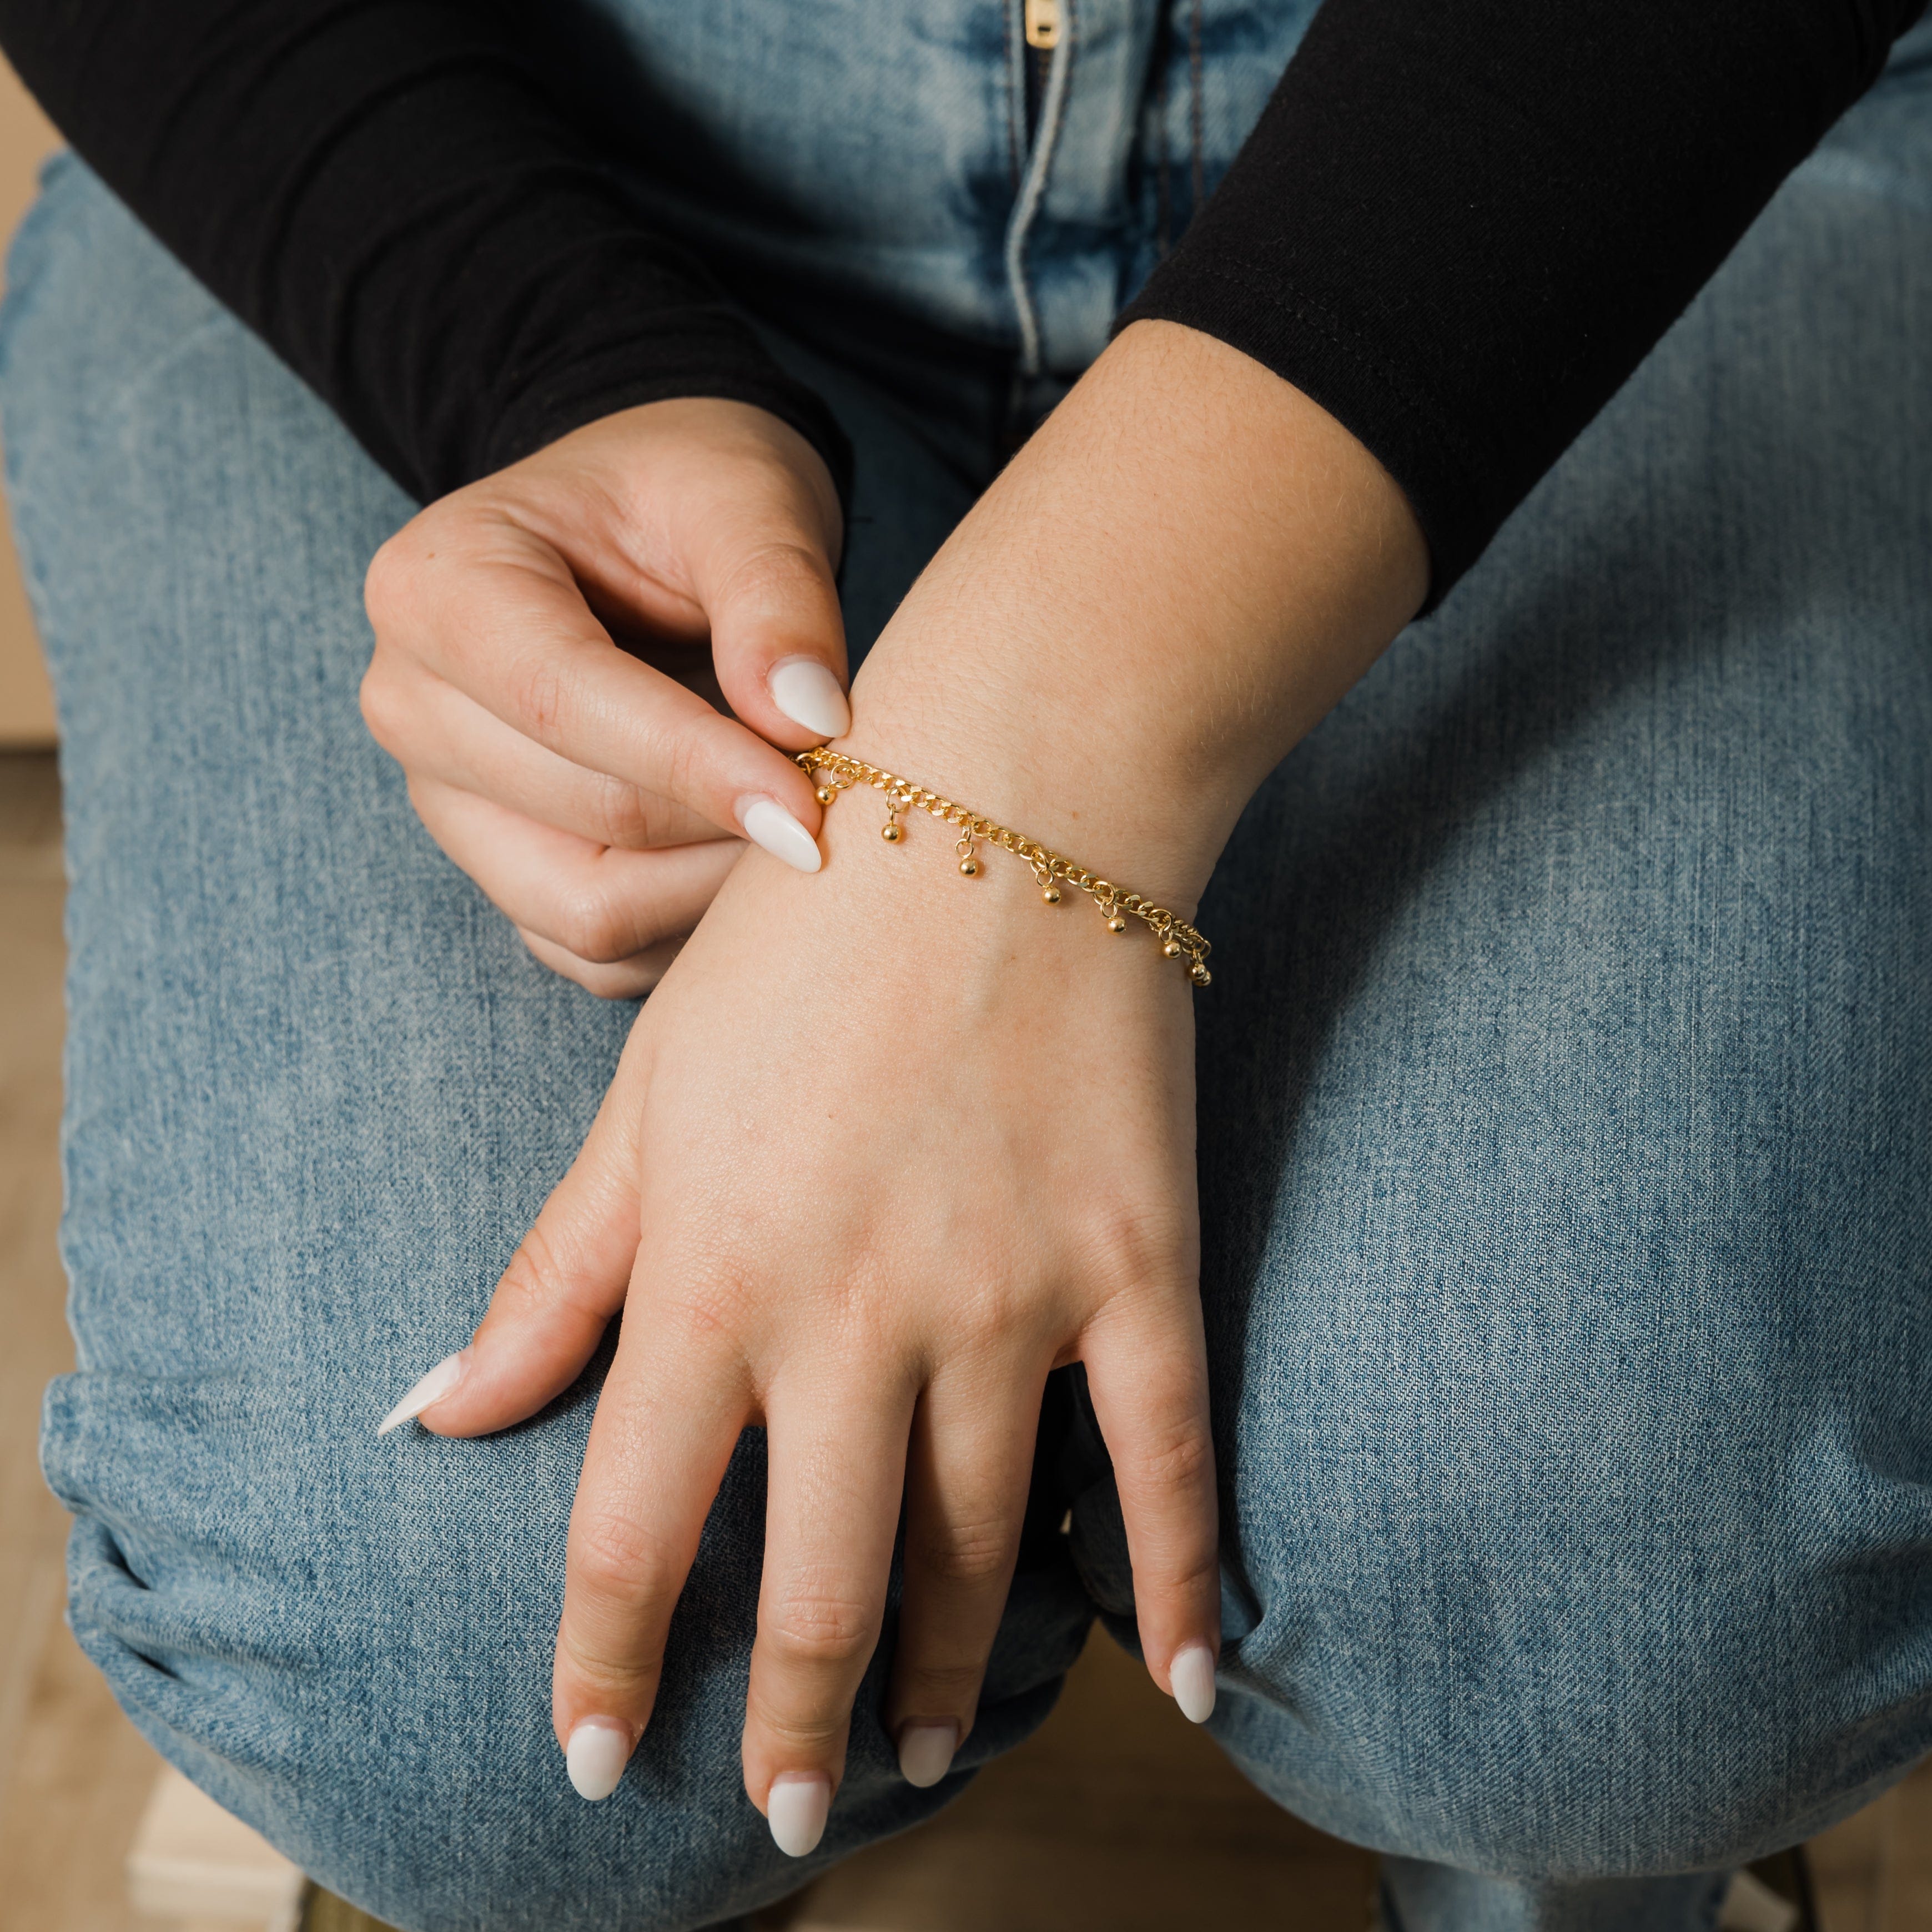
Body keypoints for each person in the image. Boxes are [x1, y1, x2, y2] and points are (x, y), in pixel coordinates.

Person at [1, 0, 1929, 1925]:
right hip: (462, 116)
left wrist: (1030, 763)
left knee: (1614, 1589)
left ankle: (1581, 1872)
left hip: (1638, 146)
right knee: (442, 1653)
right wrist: (544, 359)